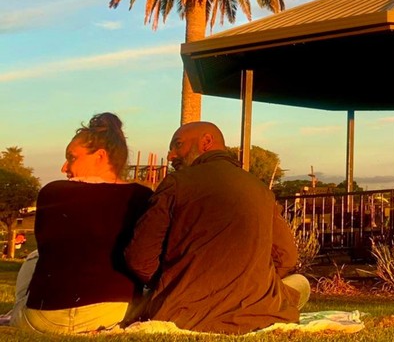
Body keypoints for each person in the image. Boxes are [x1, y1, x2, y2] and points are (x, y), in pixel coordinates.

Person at [123, 121, 310, 334]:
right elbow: (287, 258)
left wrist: (171, 281)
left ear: (206, 141)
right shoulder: (260, 190)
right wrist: (252, 284)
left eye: (178, 144)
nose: (171, 155)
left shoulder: (176, 184)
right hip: (256, 315)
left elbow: (139, 260)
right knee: (300, 283)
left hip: (183, 314)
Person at [10, 113, 153, 334]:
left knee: (34, 257)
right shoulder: (142, 196)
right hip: (114, 315)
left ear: (100, 156)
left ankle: (18, 310)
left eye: (72, 157)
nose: (64, 167)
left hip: (44, 318)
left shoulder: (51, 192)